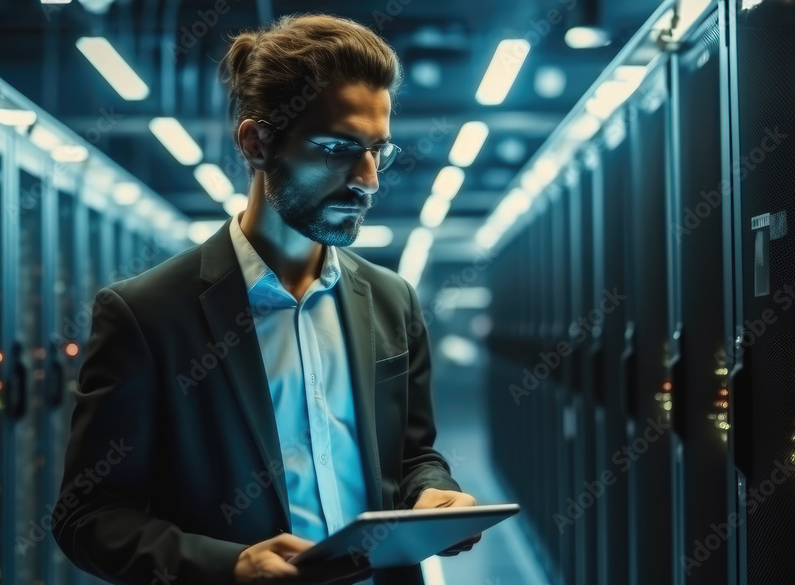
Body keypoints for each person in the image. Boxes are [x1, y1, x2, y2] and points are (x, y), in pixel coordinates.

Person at [51, 13, 479, 585]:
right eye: (338, 148)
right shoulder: (148, 315)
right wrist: (228, 565)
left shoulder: (389, 298)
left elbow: (412, 455)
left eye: (379, 150)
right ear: (256, 143)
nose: (368, 179)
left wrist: (435, 493)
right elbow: (88, 517)